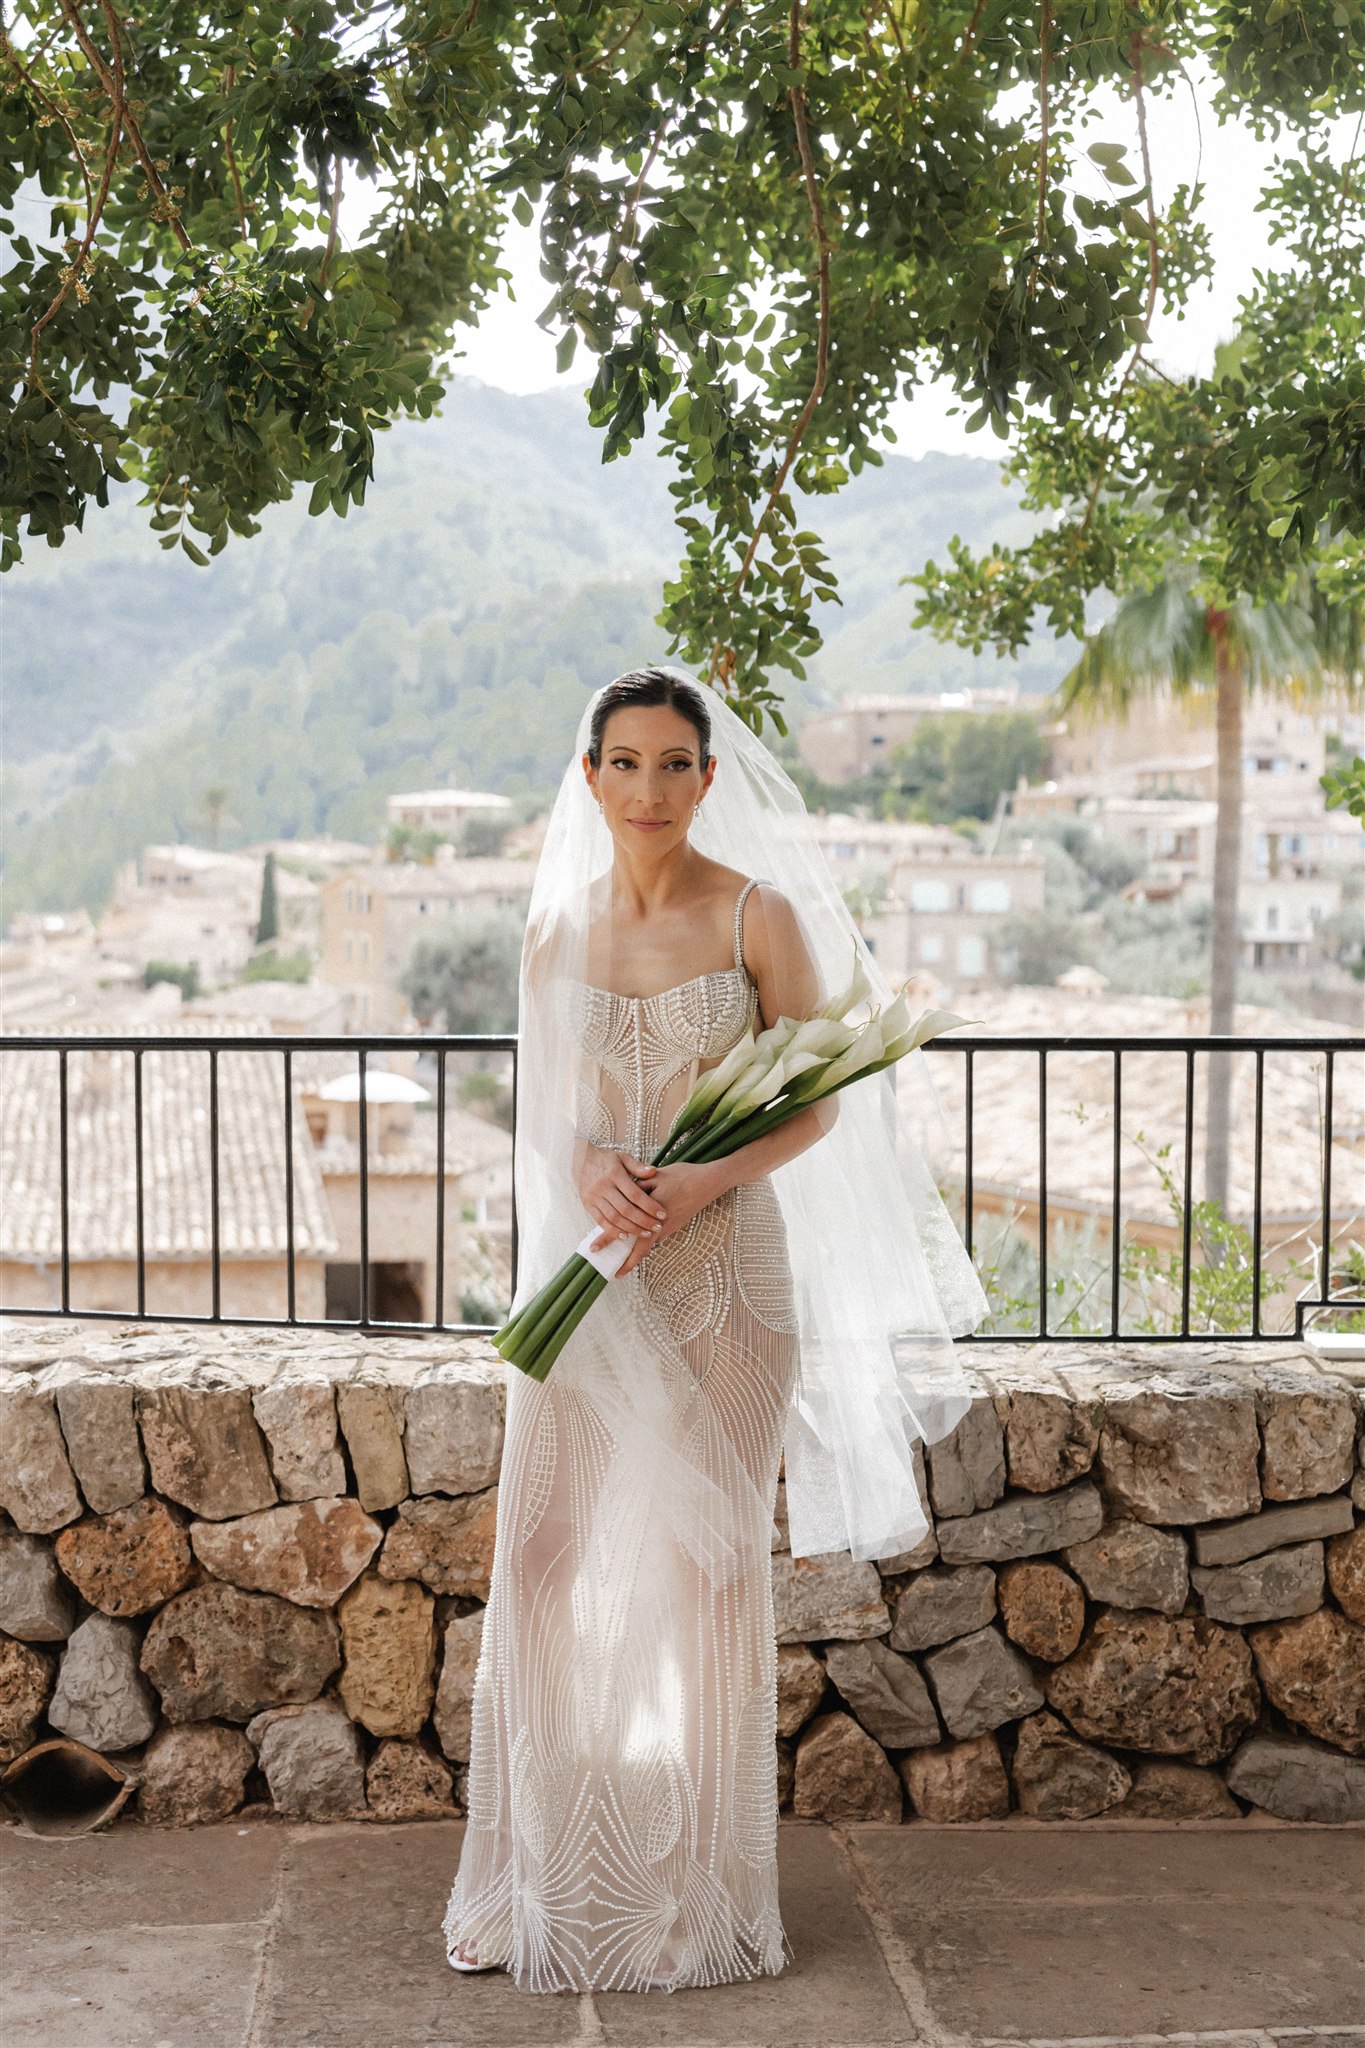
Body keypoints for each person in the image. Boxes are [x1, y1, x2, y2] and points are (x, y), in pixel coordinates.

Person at [442, 666, 985, 1993]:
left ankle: (702, 1892)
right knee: (543, 1558)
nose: (649, 789)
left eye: (674, 763)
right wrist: (584, 1165)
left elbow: (818, 1100)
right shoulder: (554, 928)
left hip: (729, 1273)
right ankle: (529, 1878)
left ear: (706, 776)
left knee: (712, 1573)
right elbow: (545, 1105)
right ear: (589, 778)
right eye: (625, 763)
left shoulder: (757, 913)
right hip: (593, 1276)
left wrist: (700, 1181)